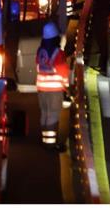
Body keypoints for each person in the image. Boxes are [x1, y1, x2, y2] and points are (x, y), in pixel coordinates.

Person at [35, 21, 69, 151]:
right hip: (54, 89)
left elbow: (37, 66)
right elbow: (63, 71)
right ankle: (50, 144)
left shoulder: (40, 51)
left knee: (44, 113)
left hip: (41, 88)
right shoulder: (58, 53)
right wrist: (66, 88)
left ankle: (44, 140)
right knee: (53, 115)